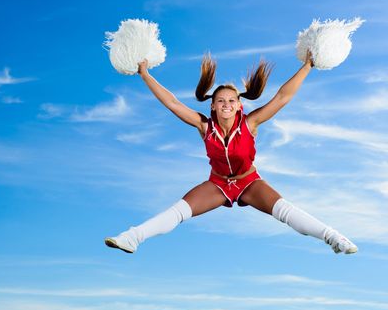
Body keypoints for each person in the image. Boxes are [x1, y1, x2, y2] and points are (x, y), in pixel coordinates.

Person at [104, 50, 358, 255]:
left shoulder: (250, 123)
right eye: (221, 101)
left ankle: (335, 238)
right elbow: (171, 102)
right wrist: (144, 73)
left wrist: (308, 65)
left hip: (248, 182)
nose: (226, 105)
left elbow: (282, 97)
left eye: (231, 101)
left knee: (285, 211)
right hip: (218, 184)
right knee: (178, 211)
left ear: (240, 105)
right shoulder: (204, 125)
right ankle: (130, 238)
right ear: (213, 106)